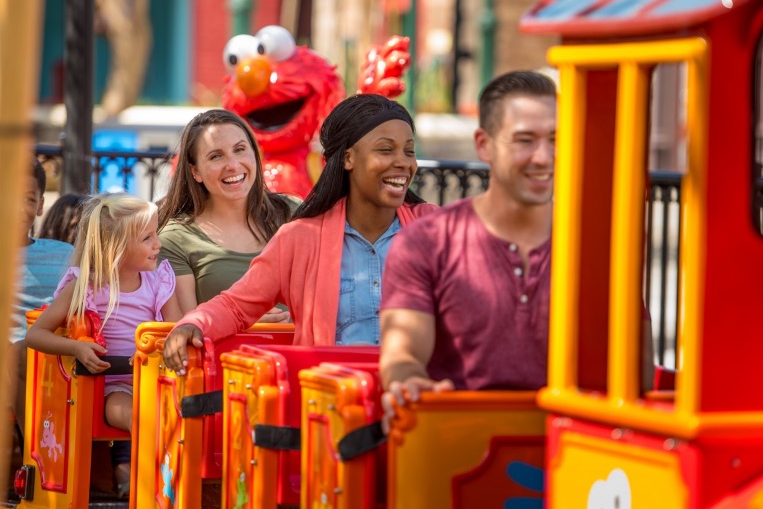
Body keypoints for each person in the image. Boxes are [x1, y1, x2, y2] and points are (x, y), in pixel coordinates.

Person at [379, 71, 654, 423]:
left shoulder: (605, 247)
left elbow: (637, 374)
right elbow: (403, 355)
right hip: (459, 448)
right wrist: (408, 384)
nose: (543, 157)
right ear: (484, 145)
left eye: (556, 139)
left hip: (576, 453)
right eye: (525, 140)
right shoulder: (426, 242)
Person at [162, 94, 438, 374]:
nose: (403, 162)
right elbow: (236, 305)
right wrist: (193, 324)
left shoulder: (436, 229)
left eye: (409, 151)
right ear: (348, 158)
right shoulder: (300, 237)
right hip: (333, 400)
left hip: (421, 399)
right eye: (386, 150)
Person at [25, 193, 182, 497]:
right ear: (118, 248)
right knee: (143, 419)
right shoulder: (87, 285)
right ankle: (152, 492)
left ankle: (180, 490)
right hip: (113, 387)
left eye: (156, 234)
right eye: (148, 238)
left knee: (185, 415)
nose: (158, 244)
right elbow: (36, 334)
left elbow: (173, 331)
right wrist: (76, 348)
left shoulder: (158, 281)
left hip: (157, 381)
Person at [157, 109, 295, 322]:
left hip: (298, 353)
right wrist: (244, 324)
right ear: (195, 172)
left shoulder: (294, 213)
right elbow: (184, 333)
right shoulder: (174, 239)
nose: (232, 165)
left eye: (240, 149)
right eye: (216, 156)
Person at [5, 159, 74, 439]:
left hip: (55, 356)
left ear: (41, 205)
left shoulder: (64, 253)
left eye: (28, 199)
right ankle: (35, 457)